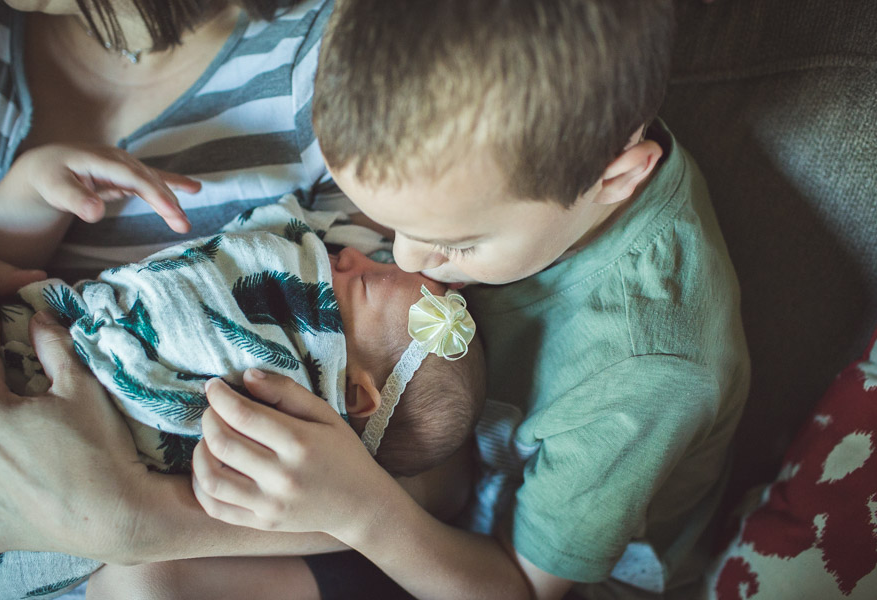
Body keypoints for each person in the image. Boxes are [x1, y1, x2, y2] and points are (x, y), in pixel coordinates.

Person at [183, 1, 751, 599]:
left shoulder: (646, 365)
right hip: (433, 471)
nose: (405, 260)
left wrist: (356, 507)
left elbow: (520, 589)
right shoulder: (510, 161)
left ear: (616, 179)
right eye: (390, 224)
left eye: (457, 244)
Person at [0, 0, 471, 585]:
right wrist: (28, 197)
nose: (347, 256)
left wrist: (133, 517)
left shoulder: (327, 76)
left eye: (358, 273)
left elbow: (424, 467)